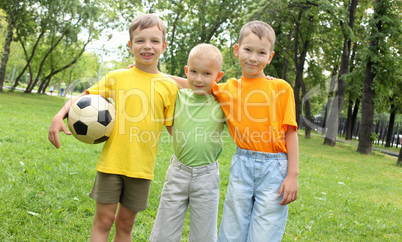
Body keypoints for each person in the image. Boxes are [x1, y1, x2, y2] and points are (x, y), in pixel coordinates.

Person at [48, 14, 178, 242]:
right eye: (140, 41)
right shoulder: (117, 77)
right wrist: (60, 115)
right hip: (111, 164)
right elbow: (83, 97)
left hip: (141, 168)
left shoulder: (169, 86)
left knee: (125, 224)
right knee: (104, 220)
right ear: (130, 45)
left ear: (164, 46)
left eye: (155, 41)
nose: (147, 46)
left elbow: (172, 128)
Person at [172, 21, 299, 242]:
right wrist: (152, 75)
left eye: (261, 53)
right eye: (248, 50)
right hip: (242, 164)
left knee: (264, 233)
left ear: (270, 57)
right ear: (237, 49)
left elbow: (291, 133)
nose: (253, 57)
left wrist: (292, 175)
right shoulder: (229, 89)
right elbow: (195, 82)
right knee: (231, 230)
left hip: (275, 168)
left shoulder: (281, 88)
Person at [150, 44, 225, 242]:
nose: (199, 79)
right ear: (186, 71)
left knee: (204, 235)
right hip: (178, 172)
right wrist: (151, 72)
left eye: (207, 73)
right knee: (163, 233)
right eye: (193, 72)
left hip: (207, 176)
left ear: (218, 76)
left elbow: (247, 88)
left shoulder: (222, 100)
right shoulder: (179, 96)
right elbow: (163, 79)